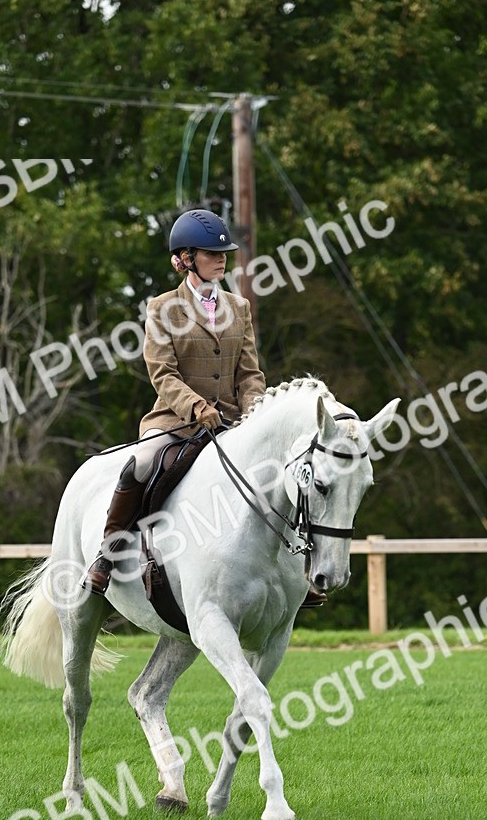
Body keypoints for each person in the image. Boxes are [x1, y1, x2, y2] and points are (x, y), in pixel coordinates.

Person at [83, 207, 326, 608]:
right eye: (212, 253)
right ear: (186, 259)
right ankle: (107, 555)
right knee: (140, 464)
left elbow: (249, 373)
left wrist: (255, 413)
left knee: (284, 473)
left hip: (233, 421)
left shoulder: (240, 307)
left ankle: (294, 572)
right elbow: (162, 373)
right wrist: (196, 408)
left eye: (223, 252)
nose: (222, 258)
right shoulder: (162, 309)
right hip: (175, 422)